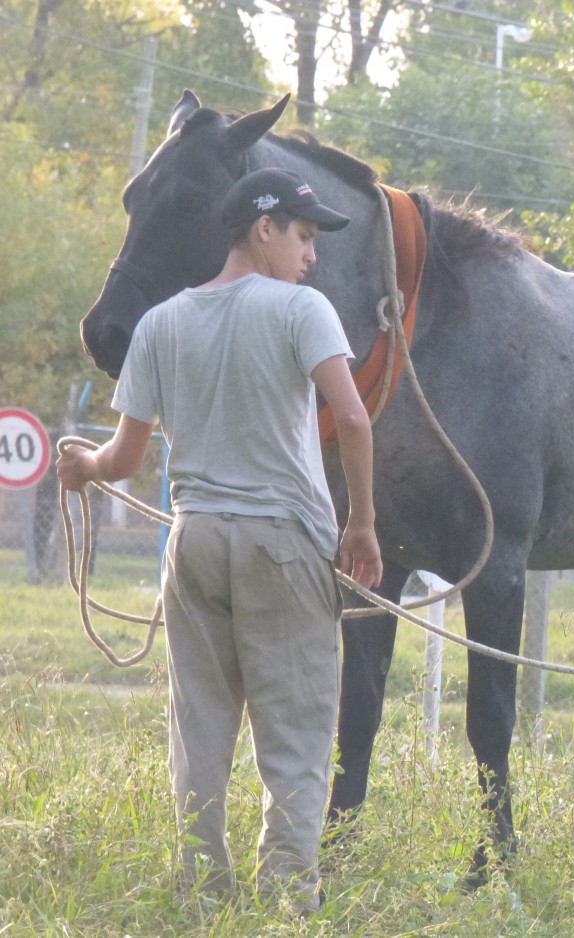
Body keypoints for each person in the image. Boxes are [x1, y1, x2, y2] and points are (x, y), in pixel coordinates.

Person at [58, 167, 383, 913]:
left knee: (200, 729)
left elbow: (125, 460)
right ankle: (287, 902)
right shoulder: (304, 310)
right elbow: (356, 421)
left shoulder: (163, 323)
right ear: (261, 228)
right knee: (296, 731)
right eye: (303, 235)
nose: (311, 255)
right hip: (285, 544)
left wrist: (83, 469)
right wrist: (361, 523)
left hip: (196, 541)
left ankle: (204, 895)